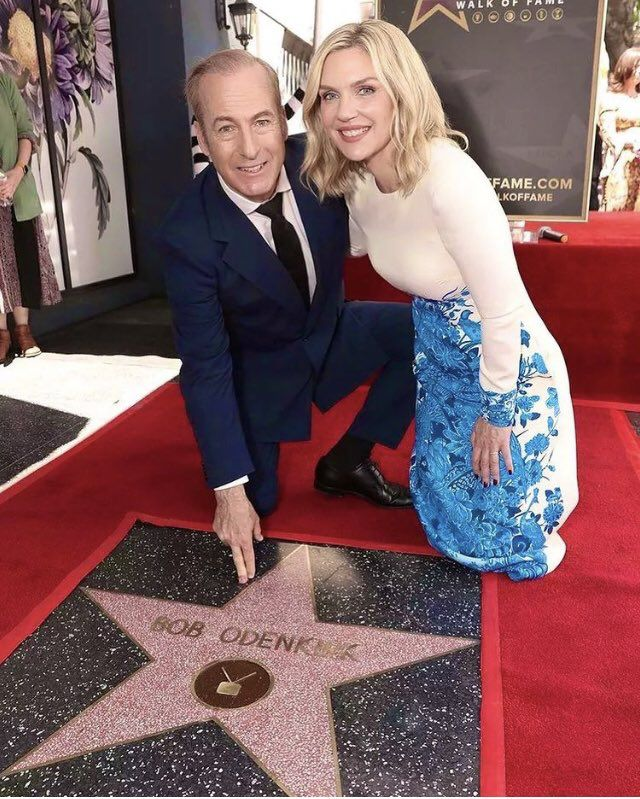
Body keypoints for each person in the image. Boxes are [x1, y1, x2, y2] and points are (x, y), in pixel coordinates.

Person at [302, 20, 579, 581]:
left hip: (508, 369)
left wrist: (497, 417)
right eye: (329, 95)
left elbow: (503, 313)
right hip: (439, 361)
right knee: (448, 523)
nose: (345, 111)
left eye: (365, 89)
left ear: (401, 91)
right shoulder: (359, 180)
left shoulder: (450, 179)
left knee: (503, 543)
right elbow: (358, 242)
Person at [158, 50, 416, 585]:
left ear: (283, 119)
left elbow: (397, 156)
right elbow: (205, 366)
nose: (250, 149)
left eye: (261, 121)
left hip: (328, 331)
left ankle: (347, 461)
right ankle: (243, 467)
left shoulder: (320, 164)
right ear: (200, 137)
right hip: (260, 371)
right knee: (260, 501)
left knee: (426, 334)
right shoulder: (187, 234)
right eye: (225, 129)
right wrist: (228, 491)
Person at [0, 73, 61, 364]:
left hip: (17, 189)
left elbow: (26, 132)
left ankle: (23, 330)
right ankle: (2, 334)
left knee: (22, 259)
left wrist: (17, 172)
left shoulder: (3, 83)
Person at [597, 47, 640, 211]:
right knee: (619, 207)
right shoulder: (610, 99)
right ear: (626, 67)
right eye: (638, 66)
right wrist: (631, 143)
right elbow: (608, 133)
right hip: (622, 160)